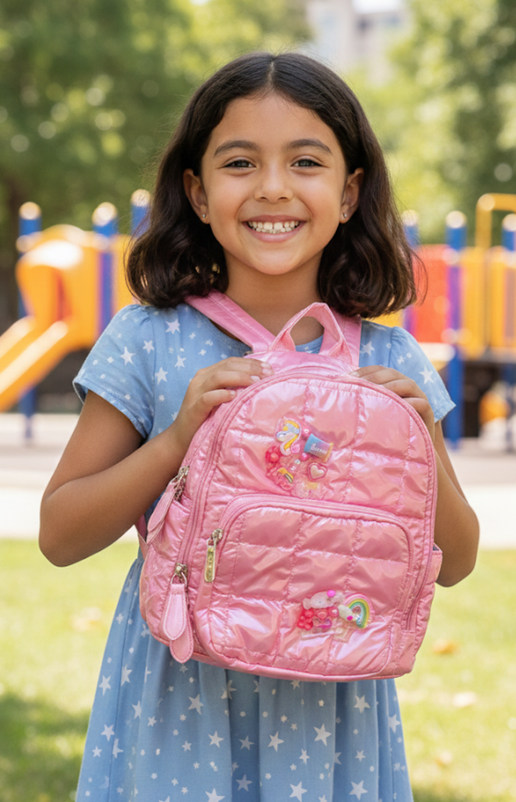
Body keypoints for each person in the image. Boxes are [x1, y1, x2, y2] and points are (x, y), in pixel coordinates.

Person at [39, 51, 479, 802]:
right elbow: (60, 533)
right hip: (179, 695)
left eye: (304, 162)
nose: (272, 187)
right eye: (239, 162)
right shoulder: (149, 340)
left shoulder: (389, 353)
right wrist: (174, 443)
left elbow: (456, 559)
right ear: (197, 192)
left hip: (331, 698)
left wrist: (418, 440)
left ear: (347, 193)